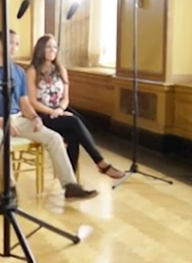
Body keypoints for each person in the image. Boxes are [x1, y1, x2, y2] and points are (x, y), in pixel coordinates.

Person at [0, 29, 98, 199]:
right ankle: (10, 189)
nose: (14, 47)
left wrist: (36, 118)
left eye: (16, 44)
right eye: (10, 43)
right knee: (3, 142)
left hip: (18, 119)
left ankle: (70, 185)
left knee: (54, 138)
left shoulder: (18, 72)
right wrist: (2, 124)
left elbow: (24, 103)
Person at [26, 34, 125, 179]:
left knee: (74, 133)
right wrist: (53, 112)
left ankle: (70, 179)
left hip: (58, 111)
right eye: (48, 47)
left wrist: (60, 110)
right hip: (41, 114)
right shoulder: (32, 70)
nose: (52, 50)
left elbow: (66, 98)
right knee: (74, 122)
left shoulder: (61, 69)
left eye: (55, 47)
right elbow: (32, 101)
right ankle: (100, 163)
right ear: (40, 49)